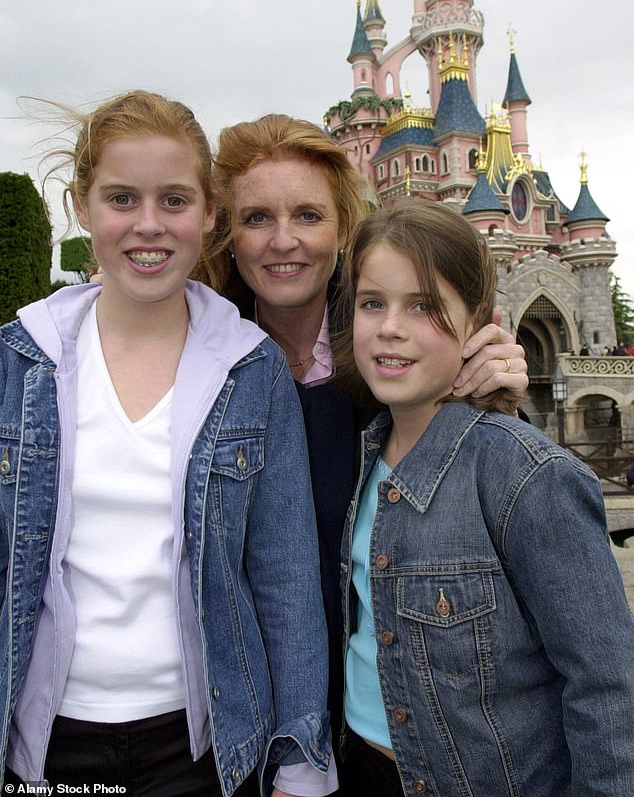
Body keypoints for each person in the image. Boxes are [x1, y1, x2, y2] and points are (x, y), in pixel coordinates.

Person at [0, 92, 336, 797]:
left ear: (209, 212)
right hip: (45, 736)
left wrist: (301, 759)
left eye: (174, 200)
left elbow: (286, 580)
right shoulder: (21, 361)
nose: (148, 224)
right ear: (81, 205)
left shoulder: (251, 367)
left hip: (204, 743)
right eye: (122, 198)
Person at [192, 113, 529, 773]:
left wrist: (491, 393)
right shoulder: (200, 360)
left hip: (393, 722)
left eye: (309, 216)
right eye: (256, 217)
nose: (282, 241)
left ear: (344, 228)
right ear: (227, 231)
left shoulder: (393, 359)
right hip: (250, 716)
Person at [335, 199, 634, 797]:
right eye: (373, 304)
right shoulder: (359, 452)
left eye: (423, 306)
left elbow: (607, 686)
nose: (390, 326)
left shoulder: (524, 475)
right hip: (362, 770)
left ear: (480, 324)